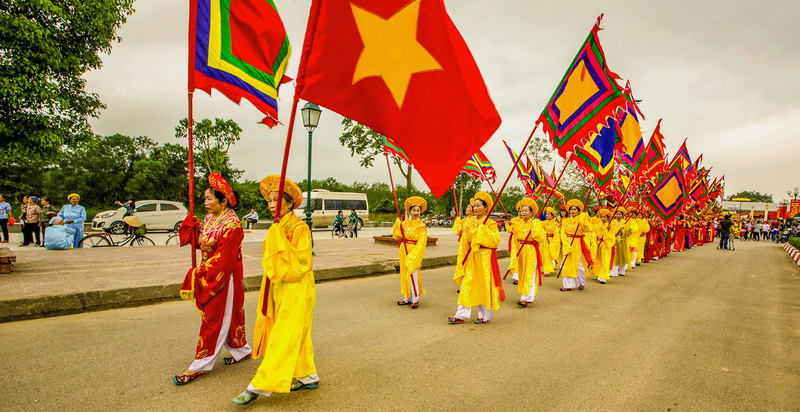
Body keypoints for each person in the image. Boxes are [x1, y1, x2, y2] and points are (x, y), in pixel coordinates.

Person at [233, 175, 317, 405]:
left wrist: (279, 240)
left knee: (284, 334)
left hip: (297, 288)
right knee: (298, 334)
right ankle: (309, 376)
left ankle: (257, 386)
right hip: (279, 287)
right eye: (269, 200)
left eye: (276, 200)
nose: (271, 204)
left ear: (290, 203)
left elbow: (301, 264)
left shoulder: (300, 228)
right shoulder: (277, 226)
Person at [175, 173, 252, 385]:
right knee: (230, 315)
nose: (205, 202)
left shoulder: (233, 225)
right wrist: (193, 229)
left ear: (223, 200)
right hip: (212, 268)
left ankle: (200, 364)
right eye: (205, 198)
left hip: (224, 275)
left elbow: (224, 259)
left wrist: (199, 274)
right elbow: (204, 243)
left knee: (213, 318)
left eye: (209, 198)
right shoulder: (209, 219)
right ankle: (241, 350)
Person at [449, 192, 501, 324]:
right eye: (474, 206)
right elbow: (464, 240)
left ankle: (483, 316)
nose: (475, 208)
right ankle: (460, 315)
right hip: (472, 257)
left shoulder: (491, 224)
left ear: (486, 208)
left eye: (478, 206)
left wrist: (483, 231)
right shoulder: (469, 223)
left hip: (485, 258)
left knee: (484, 285)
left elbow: (495, 241)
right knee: (467, 284)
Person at [507, 198, 545, 306]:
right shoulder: (518, 223)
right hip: (520, 249)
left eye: (525, 210)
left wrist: (534, 230)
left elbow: (541, 237)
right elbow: (512, 231)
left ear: (532, 212)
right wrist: (511, 226)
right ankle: (524, 294)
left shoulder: (536, 222)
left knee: (530, 273)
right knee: (522, 272)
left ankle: (527, 297)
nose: (523, 212)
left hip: (531, 250)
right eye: (522, 210)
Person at [393, 197, 428, 309]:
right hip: (404, 250)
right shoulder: (405, 223)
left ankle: (415, 298)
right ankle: (406, 297)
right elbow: (397, 236)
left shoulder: (422, 226)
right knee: (404, 272)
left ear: (420, 212)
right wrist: (398, 223)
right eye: (414, 210)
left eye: (418, 210)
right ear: (410, 211)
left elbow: (422, 243)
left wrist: (415, 255)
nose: (416, 213)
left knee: (413, 274)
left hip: (414, 251)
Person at [559, 199, 593, 291]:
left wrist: (584, 220)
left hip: (578, 242)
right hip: (568, 243)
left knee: (579, 264)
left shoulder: (582, 219)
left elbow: (588, 229)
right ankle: (568, 285)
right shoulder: (565, 221)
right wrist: (566, 244)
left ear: (579, 211)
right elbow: (562, 233)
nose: (573, 211)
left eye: (575, 209)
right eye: (571, 209)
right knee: (567, 263)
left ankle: (581, 282)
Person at [593, 209, 617, 284]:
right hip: (598, 243)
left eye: (604, 217)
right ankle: (598, 274)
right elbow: (594, 234)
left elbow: (612, 236)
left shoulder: (611, 226)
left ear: (608, 218)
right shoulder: (597, 225)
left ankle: (604, 277)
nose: (602, 218)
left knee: (605, 260)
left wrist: (608, 231)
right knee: (598, 259)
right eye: (602, 217)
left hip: (606, 244)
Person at [611, 208, 633, 278]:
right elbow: (610, 230)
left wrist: (623, 231)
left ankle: (622, 271)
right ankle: (614, 272)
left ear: (622, 215)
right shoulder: (612, 222)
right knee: (615, 256)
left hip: (623, 241)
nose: (618, 215)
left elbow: (630, 231)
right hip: (614, 241)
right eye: (617, 214)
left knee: (622, 256)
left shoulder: (625, 222)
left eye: (620, 214)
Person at [541, 207, 560, 275]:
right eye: (546, 214)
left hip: (551, 241)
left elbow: (556, 235)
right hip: (544, 241)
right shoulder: (543, 223)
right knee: (544, 255)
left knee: (548, 255)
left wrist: (553, 243)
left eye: (548, 214)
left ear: (552, 216)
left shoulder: (555, 224)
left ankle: (547, 270)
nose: (546, 215)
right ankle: (545, 268)